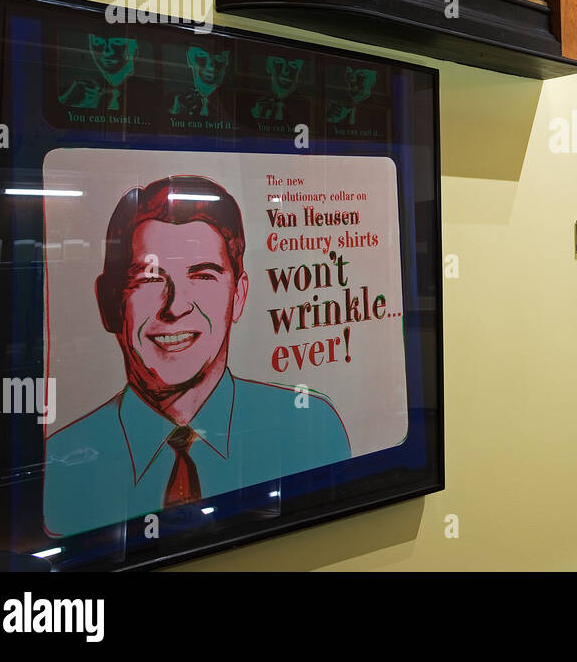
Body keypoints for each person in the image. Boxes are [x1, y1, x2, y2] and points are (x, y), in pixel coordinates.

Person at [42, 175, 350, 538]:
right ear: (109, 303)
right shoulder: (59, 464)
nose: (176, 306)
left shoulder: (312, 428)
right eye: (149, 278)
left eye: (203, 275)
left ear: (238, 295)